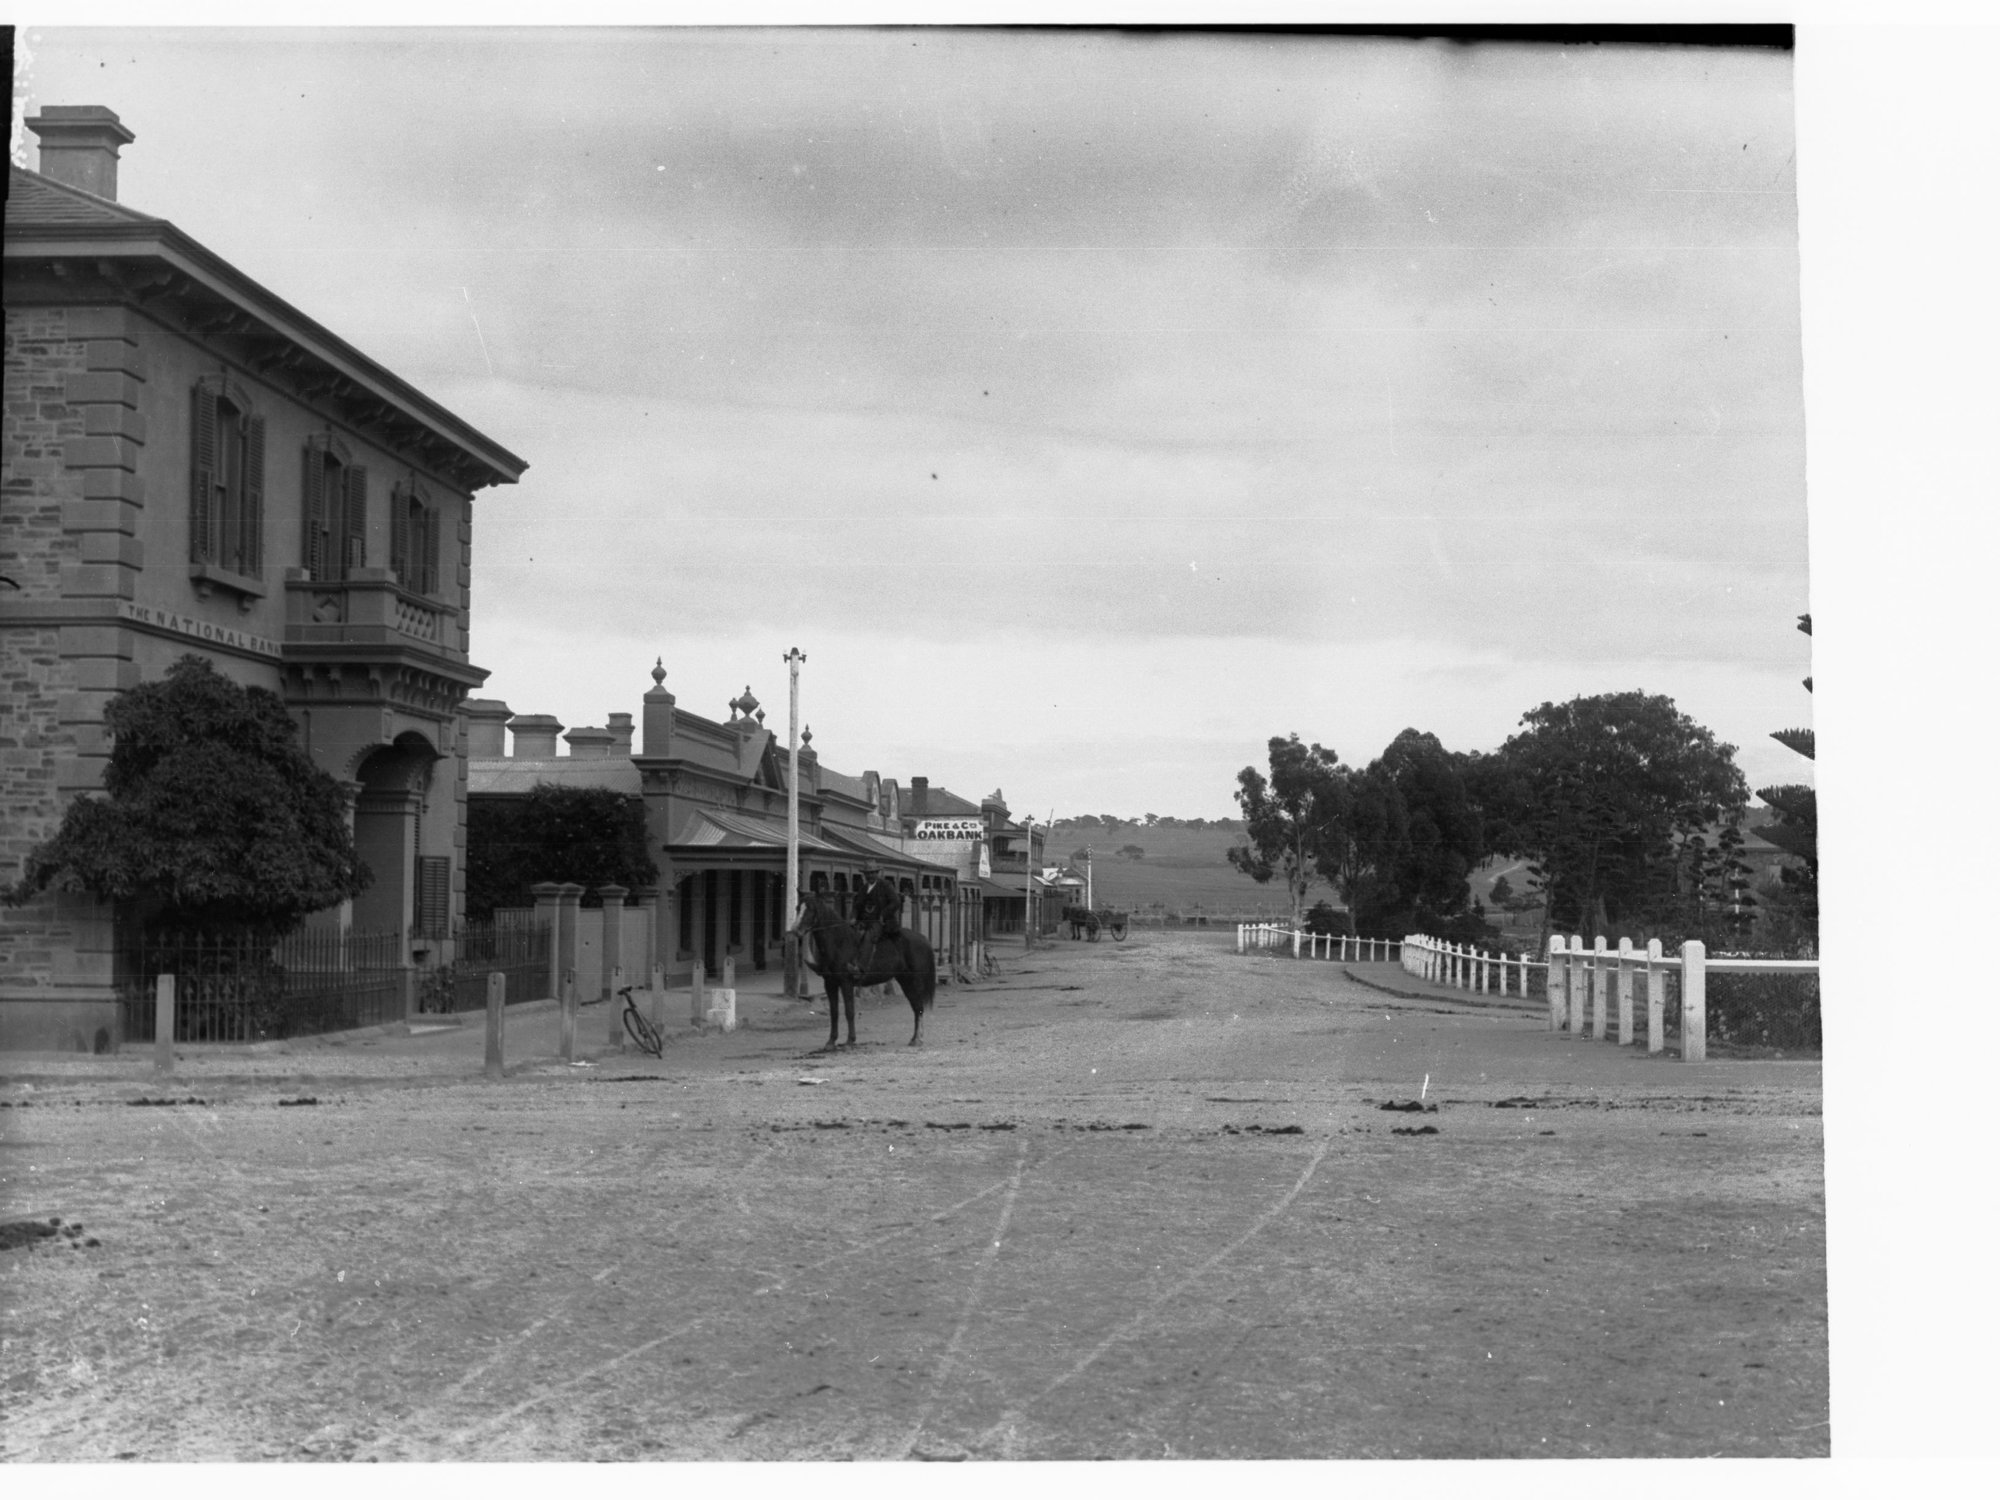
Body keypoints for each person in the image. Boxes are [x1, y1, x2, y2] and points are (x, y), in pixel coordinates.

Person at [851, 862, 902, 974]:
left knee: (869, 936)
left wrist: (883, 915)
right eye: (867, 874)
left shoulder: (886, 886)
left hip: (881, 922)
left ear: (877, 873)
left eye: (872, 873)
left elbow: (896, 902)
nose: (870, 876)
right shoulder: (863, 889)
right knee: (850, 934)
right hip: (864, 921)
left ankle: (861, 967)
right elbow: (856, 906)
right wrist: (854, 917)